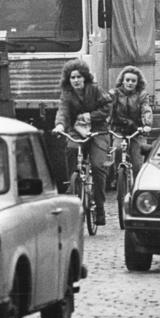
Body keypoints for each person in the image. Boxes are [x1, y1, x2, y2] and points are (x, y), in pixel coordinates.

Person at [52, 59, 112, 225]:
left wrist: (90, 116)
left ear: (85, 78)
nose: (76, 80)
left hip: (98, 130)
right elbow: (62, 112)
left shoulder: (95, 90)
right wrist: (59, 125)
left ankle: (99, 207)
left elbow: (107, 107)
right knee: (71, 150)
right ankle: (73, 183)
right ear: (68, 80)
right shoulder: (67, 94)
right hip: (76, 131)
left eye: (79, 77)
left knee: (98, 166)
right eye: (72, 77)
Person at [109, 65, 153, 178]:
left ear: (137, 82)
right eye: (127, 80)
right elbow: (108, 109)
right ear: (122, 81)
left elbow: (146, 109)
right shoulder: (115, 94)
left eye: (133, 81)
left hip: (137, 131)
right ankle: (117, 176)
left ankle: (137, 185)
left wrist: (146, 124)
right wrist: (105, 123)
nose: (130, 83)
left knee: (138, 162)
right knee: (118, 149)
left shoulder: (142, 95)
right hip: (119, 130)